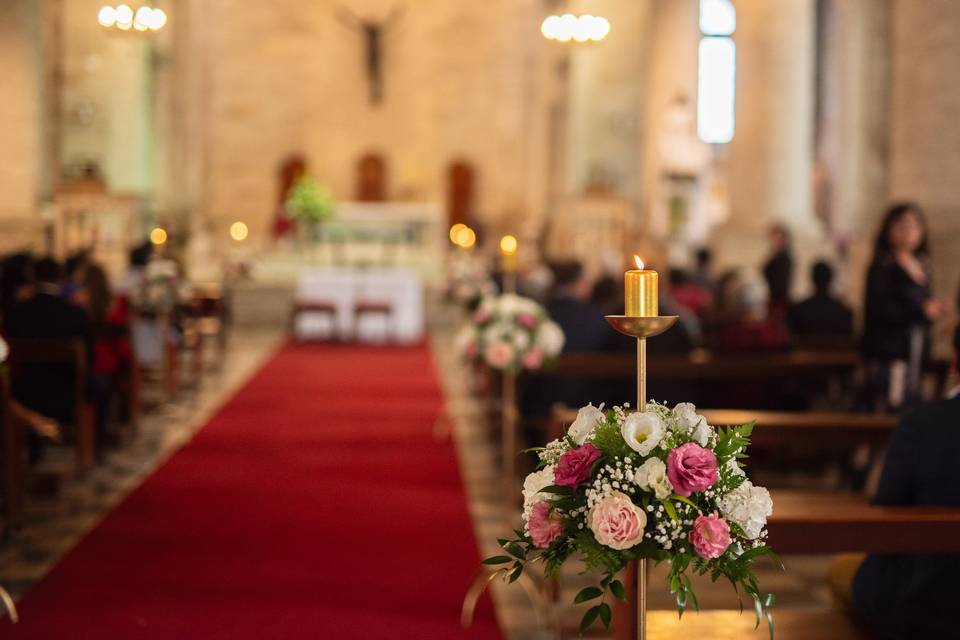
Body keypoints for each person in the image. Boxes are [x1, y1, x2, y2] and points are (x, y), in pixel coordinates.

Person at [831, 325, 960, 638]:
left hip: (932, 600)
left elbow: (885, 518)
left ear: (955, 361)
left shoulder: (923, 424)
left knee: (843, 572)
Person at [4, 258, 97, 461]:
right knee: (98, 388)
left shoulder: (16, 313)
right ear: (61, 278)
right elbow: (89, 359)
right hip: (67, 396)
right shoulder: (75, 314)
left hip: (24, 396)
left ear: (34, 278)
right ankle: (92, 454)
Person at [862, 203, 944, 411]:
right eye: (903, 225)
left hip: (916, 347)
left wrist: (933, 309)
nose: (909, 231)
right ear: (889, 229)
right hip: (891, 350)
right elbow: (879, 309)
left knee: (914, 402)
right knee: (893, 406)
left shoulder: (922, 263)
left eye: (915, 225)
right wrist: (921, 310)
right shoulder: (883, 265)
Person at [786, 261, 854, 343]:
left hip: (803, 355)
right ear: (830, 279)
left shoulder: (797, 311)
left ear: (812, 278)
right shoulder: (844, 313)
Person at [762, 224, 793, 316]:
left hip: (778, 300)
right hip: (772, 298)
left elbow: (781, 282)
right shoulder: (775, 257)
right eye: (774, 238)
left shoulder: (784, 259)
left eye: (778, 239)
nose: (775, 241)